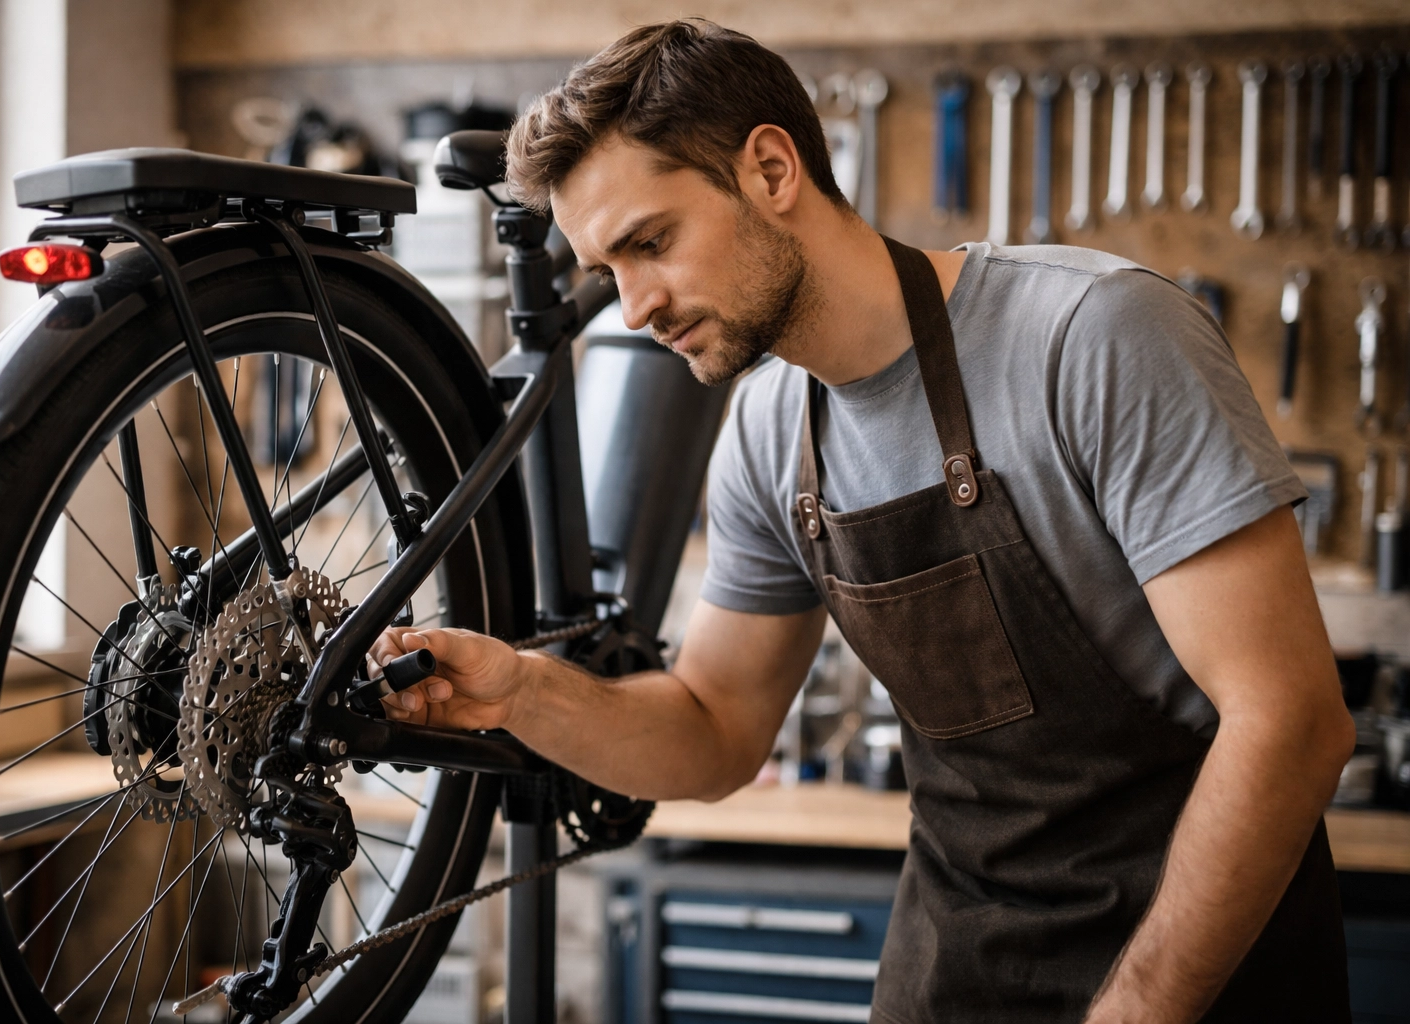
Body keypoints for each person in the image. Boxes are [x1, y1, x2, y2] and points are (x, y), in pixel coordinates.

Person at [368, 20, 1356, 1024]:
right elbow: (716, 731)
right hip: (961, 964)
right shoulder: (767, 431)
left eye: (651, 243)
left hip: (1206, 972)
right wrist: (524, 692)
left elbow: (1291, 722)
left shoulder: (1094, 338)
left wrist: (1137, 1010)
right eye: (607, 270)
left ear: (769, 169)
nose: (633, 308)